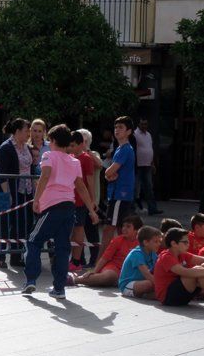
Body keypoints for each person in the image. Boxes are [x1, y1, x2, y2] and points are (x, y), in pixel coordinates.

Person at [22, 124, 99, 297]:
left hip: (51, 207)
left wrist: (37, 199)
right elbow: (81, 187)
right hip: (69, 208)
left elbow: (45, 175)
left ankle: (31, 280)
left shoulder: (49, 155)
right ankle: (59, 288)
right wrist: (91, 210)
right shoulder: (74, 161)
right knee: (63, 248)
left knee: (34, 241)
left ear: (54, 140)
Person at [0, 118, 34, 270]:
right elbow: (2, 173)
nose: (28, 134)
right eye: (26, 131)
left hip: (25, 191)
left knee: (22, 224)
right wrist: (8, 194)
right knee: (3, 224)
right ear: (17, 131)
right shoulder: (5, 148)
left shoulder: (27, 147)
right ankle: (0, 256)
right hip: (6, 191)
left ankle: (16, 256)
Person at [71, 215, 141, 288]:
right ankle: (74, 279)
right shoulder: (117, 240)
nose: (124, 229)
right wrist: (94, 271)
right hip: (114, 268)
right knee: (108, 277)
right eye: (123, 226)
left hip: (132, 270)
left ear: (137, 230)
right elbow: (105, 258)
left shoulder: (142, 242)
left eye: (128, 226)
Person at [101, 116, 136, 255]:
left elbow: (110, 171)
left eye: (121, 127)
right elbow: (108, 173)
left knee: (109, 228)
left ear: (129, 131)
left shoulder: (125, 149)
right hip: (117, 193)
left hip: (120, 193)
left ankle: (101, 261)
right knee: (121, 228)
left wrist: (108, 174)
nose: (117, 130)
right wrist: (108, 174)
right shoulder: (119, 148)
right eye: (116, 127)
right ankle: (123, 258)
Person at [69, 131, 96, 272]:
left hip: (81, 200)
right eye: (70, 145)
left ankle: (76, 261)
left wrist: (92, 200)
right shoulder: (70, 157)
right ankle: (72, 259)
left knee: (79, 229)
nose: (71, 148)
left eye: (73, 145)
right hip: (70, 199)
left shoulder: (86, 159)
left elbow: (90, 181)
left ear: (81, 144)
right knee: (71, 231)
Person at [118, 225, 162, 299]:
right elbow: (147, 274)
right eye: (156, 242)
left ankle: (152, 295)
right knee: (149, 284)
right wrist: (162, 285)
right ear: (146, 242)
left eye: (159, 241)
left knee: (158, 289)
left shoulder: (153, 254)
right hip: (128, 285)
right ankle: (146, 295)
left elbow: (158, 271)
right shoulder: (136, 253)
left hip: (142, 281)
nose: (159, 244)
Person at [133, 118, 162, 216]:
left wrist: (152, 163)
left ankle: (152, 208)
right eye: (142, 124)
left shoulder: (148, 135)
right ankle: (131, 209)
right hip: (138, 165)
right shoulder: (135, 135)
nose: (144, 126)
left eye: (146, 124)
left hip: (147, 165)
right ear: (139, 124)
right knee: (135, 188)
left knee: (149, 188)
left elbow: (150, 149)